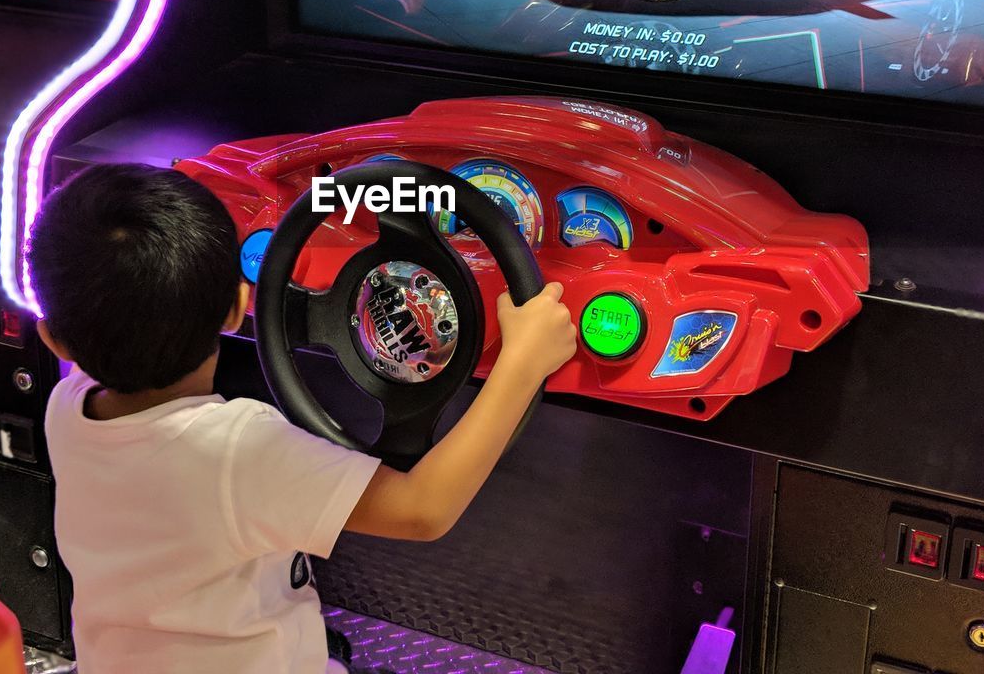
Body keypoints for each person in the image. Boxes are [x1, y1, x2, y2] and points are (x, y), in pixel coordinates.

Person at [29, 163, 577, 674]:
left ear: (53, 337)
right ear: (240, 305)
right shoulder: (238, 451)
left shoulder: (66, 407)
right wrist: (523, 363)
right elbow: (422, 510)